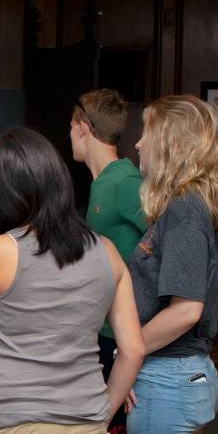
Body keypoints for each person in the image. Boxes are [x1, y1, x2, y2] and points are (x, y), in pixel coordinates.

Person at [0, 127, 143, 434]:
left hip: (15, 426)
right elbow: (133, 351)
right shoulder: (107, 251)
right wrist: (101, 417)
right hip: (87, 425)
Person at [126, 95, 218, 434]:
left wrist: (129, 354)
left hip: (169, 380)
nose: (138, 144)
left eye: (147, 133)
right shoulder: (185, 206)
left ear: (172, 143)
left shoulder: (185, 210)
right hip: (178, 376)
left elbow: (186, 311)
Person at [70, 89, 150, 391]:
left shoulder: (125, 181)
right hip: (102, 327)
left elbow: (168, 241)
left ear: (83, 127)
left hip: (122, 333)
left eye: (70, 127)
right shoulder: (102, 183)